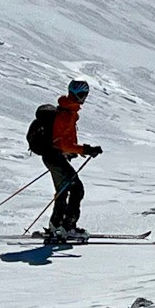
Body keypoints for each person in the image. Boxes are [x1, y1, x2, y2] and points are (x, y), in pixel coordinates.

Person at [42, 79, 102, 238]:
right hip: (55, 157)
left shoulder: (68, 111)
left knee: (63, 190)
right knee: (76, 189)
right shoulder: (66, 114)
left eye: (85, 94)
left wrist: (74, 150)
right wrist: (86, 149)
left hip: (53, 156)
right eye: (82, 94)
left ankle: (57, 226)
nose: (84, 98)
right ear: (76, 94)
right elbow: (63, 144)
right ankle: (67, 227)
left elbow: (63, 141)